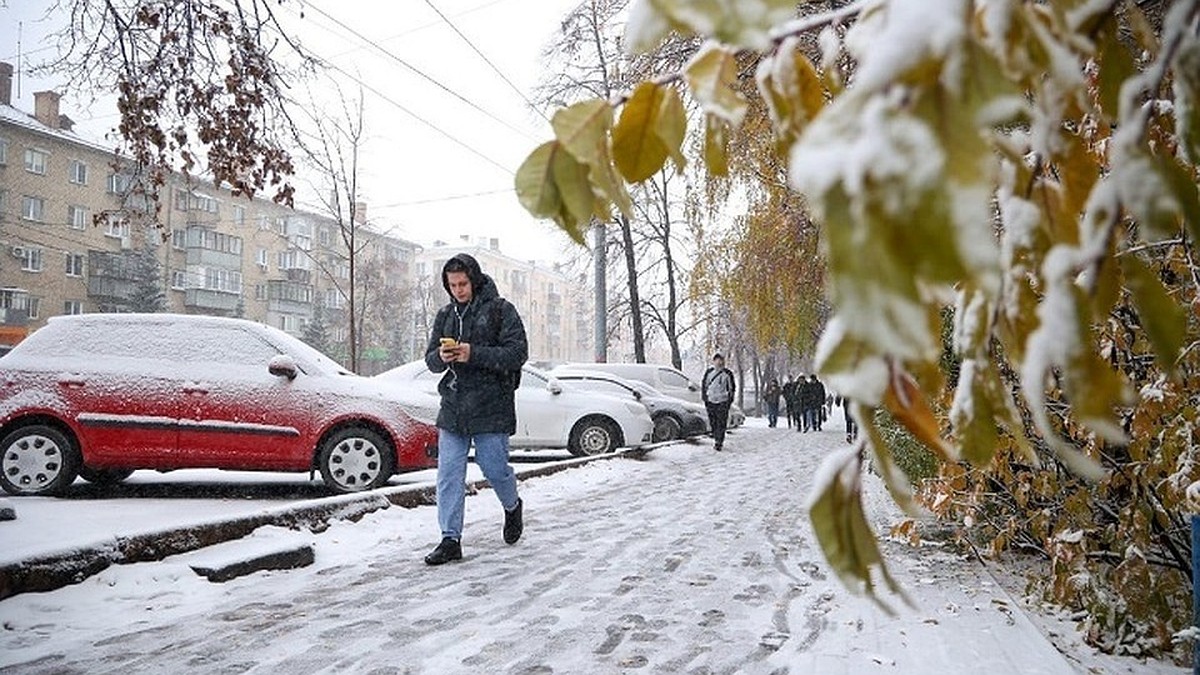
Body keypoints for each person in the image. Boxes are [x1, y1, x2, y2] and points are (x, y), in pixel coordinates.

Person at [422, 253, 529, 566]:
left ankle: (512, 506)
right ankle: (450, 539)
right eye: (452, 284)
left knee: (493, 467)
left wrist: (473, 353)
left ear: (475, 279)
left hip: (491, 404)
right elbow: (429, 361)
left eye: (463, 283)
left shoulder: (500, 310)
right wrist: (442, 356)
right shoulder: (445, 315)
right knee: (449, 474)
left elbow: (517, 353)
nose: (458, 290)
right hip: (454, 405)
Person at [701, 353, 736, 451]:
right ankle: (715, 435)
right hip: (711, 400)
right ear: (714, 361)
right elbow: (704, 385)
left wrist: (729, 401)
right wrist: (705, 398)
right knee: (713, 421)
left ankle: (719, 441)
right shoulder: (709, 372)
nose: (719, 362)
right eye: (717, 360)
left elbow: (732, 388)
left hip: (723, 401)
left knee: (721, 422)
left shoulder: (727, 374)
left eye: (721, 360)